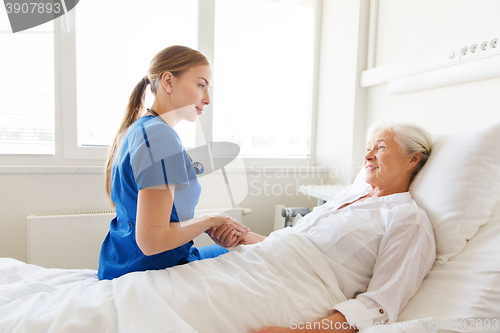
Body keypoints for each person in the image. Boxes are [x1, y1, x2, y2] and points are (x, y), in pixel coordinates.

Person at [221, 121, 434, 332]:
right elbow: (296, 244)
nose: (368, 156)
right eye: (368, 148)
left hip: (292, 291)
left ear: (412, 159)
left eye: (380, 147)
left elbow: (379, 305)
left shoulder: (408, 219)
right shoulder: (351, 194)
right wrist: (242, 237)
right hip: (256, 265)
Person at [98, 45, 249, 280]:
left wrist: (213, 224)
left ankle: (287, 244)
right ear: (168, 81)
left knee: (254, 245)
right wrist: (209, 220)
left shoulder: (140, 130)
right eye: (201, 85)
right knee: (255, 253)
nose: (207, 99)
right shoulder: (159, 136)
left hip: (122, 263)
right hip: (154, 268)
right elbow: (152, 239)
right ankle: (292, 245)